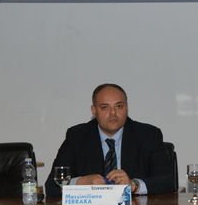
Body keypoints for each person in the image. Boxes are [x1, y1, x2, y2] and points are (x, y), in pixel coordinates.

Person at [44, 83, 175, 197]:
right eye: (105, 107)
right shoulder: (77, 136)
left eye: (119, 106)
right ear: (94, 111)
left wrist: (134, 185)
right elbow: (51, 186)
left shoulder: (148, 135)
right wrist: (81, 182)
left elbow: (168, 181)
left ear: (127, 107)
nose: (113, 113)